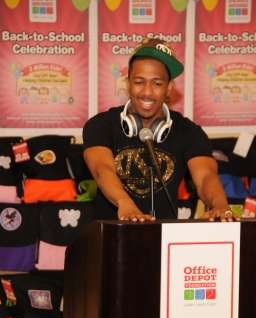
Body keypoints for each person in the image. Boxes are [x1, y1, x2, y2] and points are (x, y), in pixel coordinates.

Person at [83, 37, 240, 223]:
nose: (147, 92)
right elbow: (103, 170)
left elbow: (206, 176)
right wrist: (125, 202)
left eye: (157, 83)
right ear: (127, 83)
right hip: (111, 239)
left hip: (164, 242)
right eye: (139, 82)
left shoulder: (188, 132)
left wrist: (220, 204)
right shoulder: (101, 125)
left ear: (168, 87)